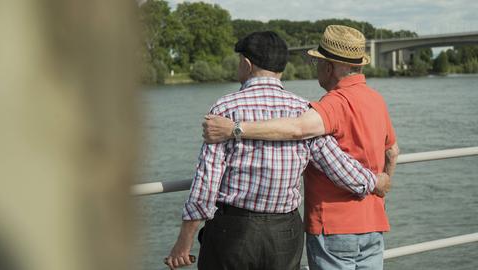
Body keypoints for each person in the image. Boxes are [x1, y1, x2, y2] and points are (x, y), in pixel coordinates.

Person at [166, 31, 390, 270]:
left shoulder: (225, 108)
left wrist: (184, 241)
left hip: (234, 229)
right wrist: (374, 181)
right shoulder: (303, 109)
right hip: (285, 232)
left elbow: (206, 184)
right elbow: (336, 164)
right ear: (282, 68)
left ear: (247, 64)